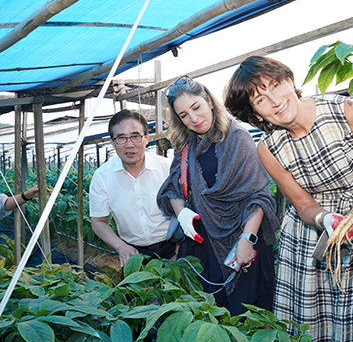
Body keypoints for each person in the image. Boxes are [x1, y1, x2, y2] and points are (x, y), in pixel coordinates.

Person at [224, 55, 353, 342]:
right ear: (256, 114)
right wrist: (324, 219)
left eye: (275, 86)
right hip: (312, 235)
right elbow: (302, 203)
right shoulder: (269, 147)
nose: (275, 101)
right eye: (261, 100)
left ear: (289, 80)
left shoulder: (344, 111)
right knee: (310, 325)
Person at [156, 76, 279, 316]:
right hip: (202, 245)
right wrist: (182, 213)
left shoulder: (236, 139)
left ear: (209, 102)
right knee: (206, 317)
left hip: (241, 241)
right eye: (183, 115)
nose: (193, 119)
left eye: (196, 107)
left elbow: (258, 195)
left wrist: (246, 240)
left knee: (244, 317)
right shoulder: (185, 146)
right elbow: (173, 188)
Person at [90, 109, 175, 269]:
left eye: (135, 136)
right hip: (133, 253)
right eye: (121, 138)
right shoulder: (102, 176)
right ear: (112, 141)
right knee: (132, 294)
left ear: (146, 138)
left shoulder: (167, 168)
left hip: (173, 249)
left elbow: (187, 209)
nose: (129, 145)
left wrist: (179, 249)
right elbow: (98, 222)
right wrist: (120, 246)